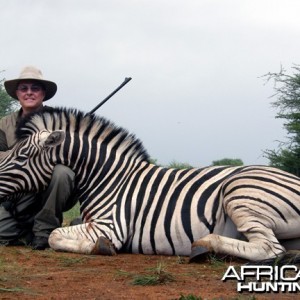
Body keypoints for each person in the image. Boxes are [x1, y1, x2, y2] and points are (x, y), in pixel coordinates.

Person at [0, 66, 78, 250]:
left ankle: (45, 231)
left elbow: (72, 154)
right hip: (17, 192)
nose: (29, 93)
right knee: (4, 232)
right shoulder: (4, 124)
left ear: (43, 93)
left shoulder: (60, 120)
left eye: (35, 88)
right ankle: (29, 232)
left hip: (49, 188)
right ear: (17, 93)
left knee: (63, 172)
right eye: (24, 88)